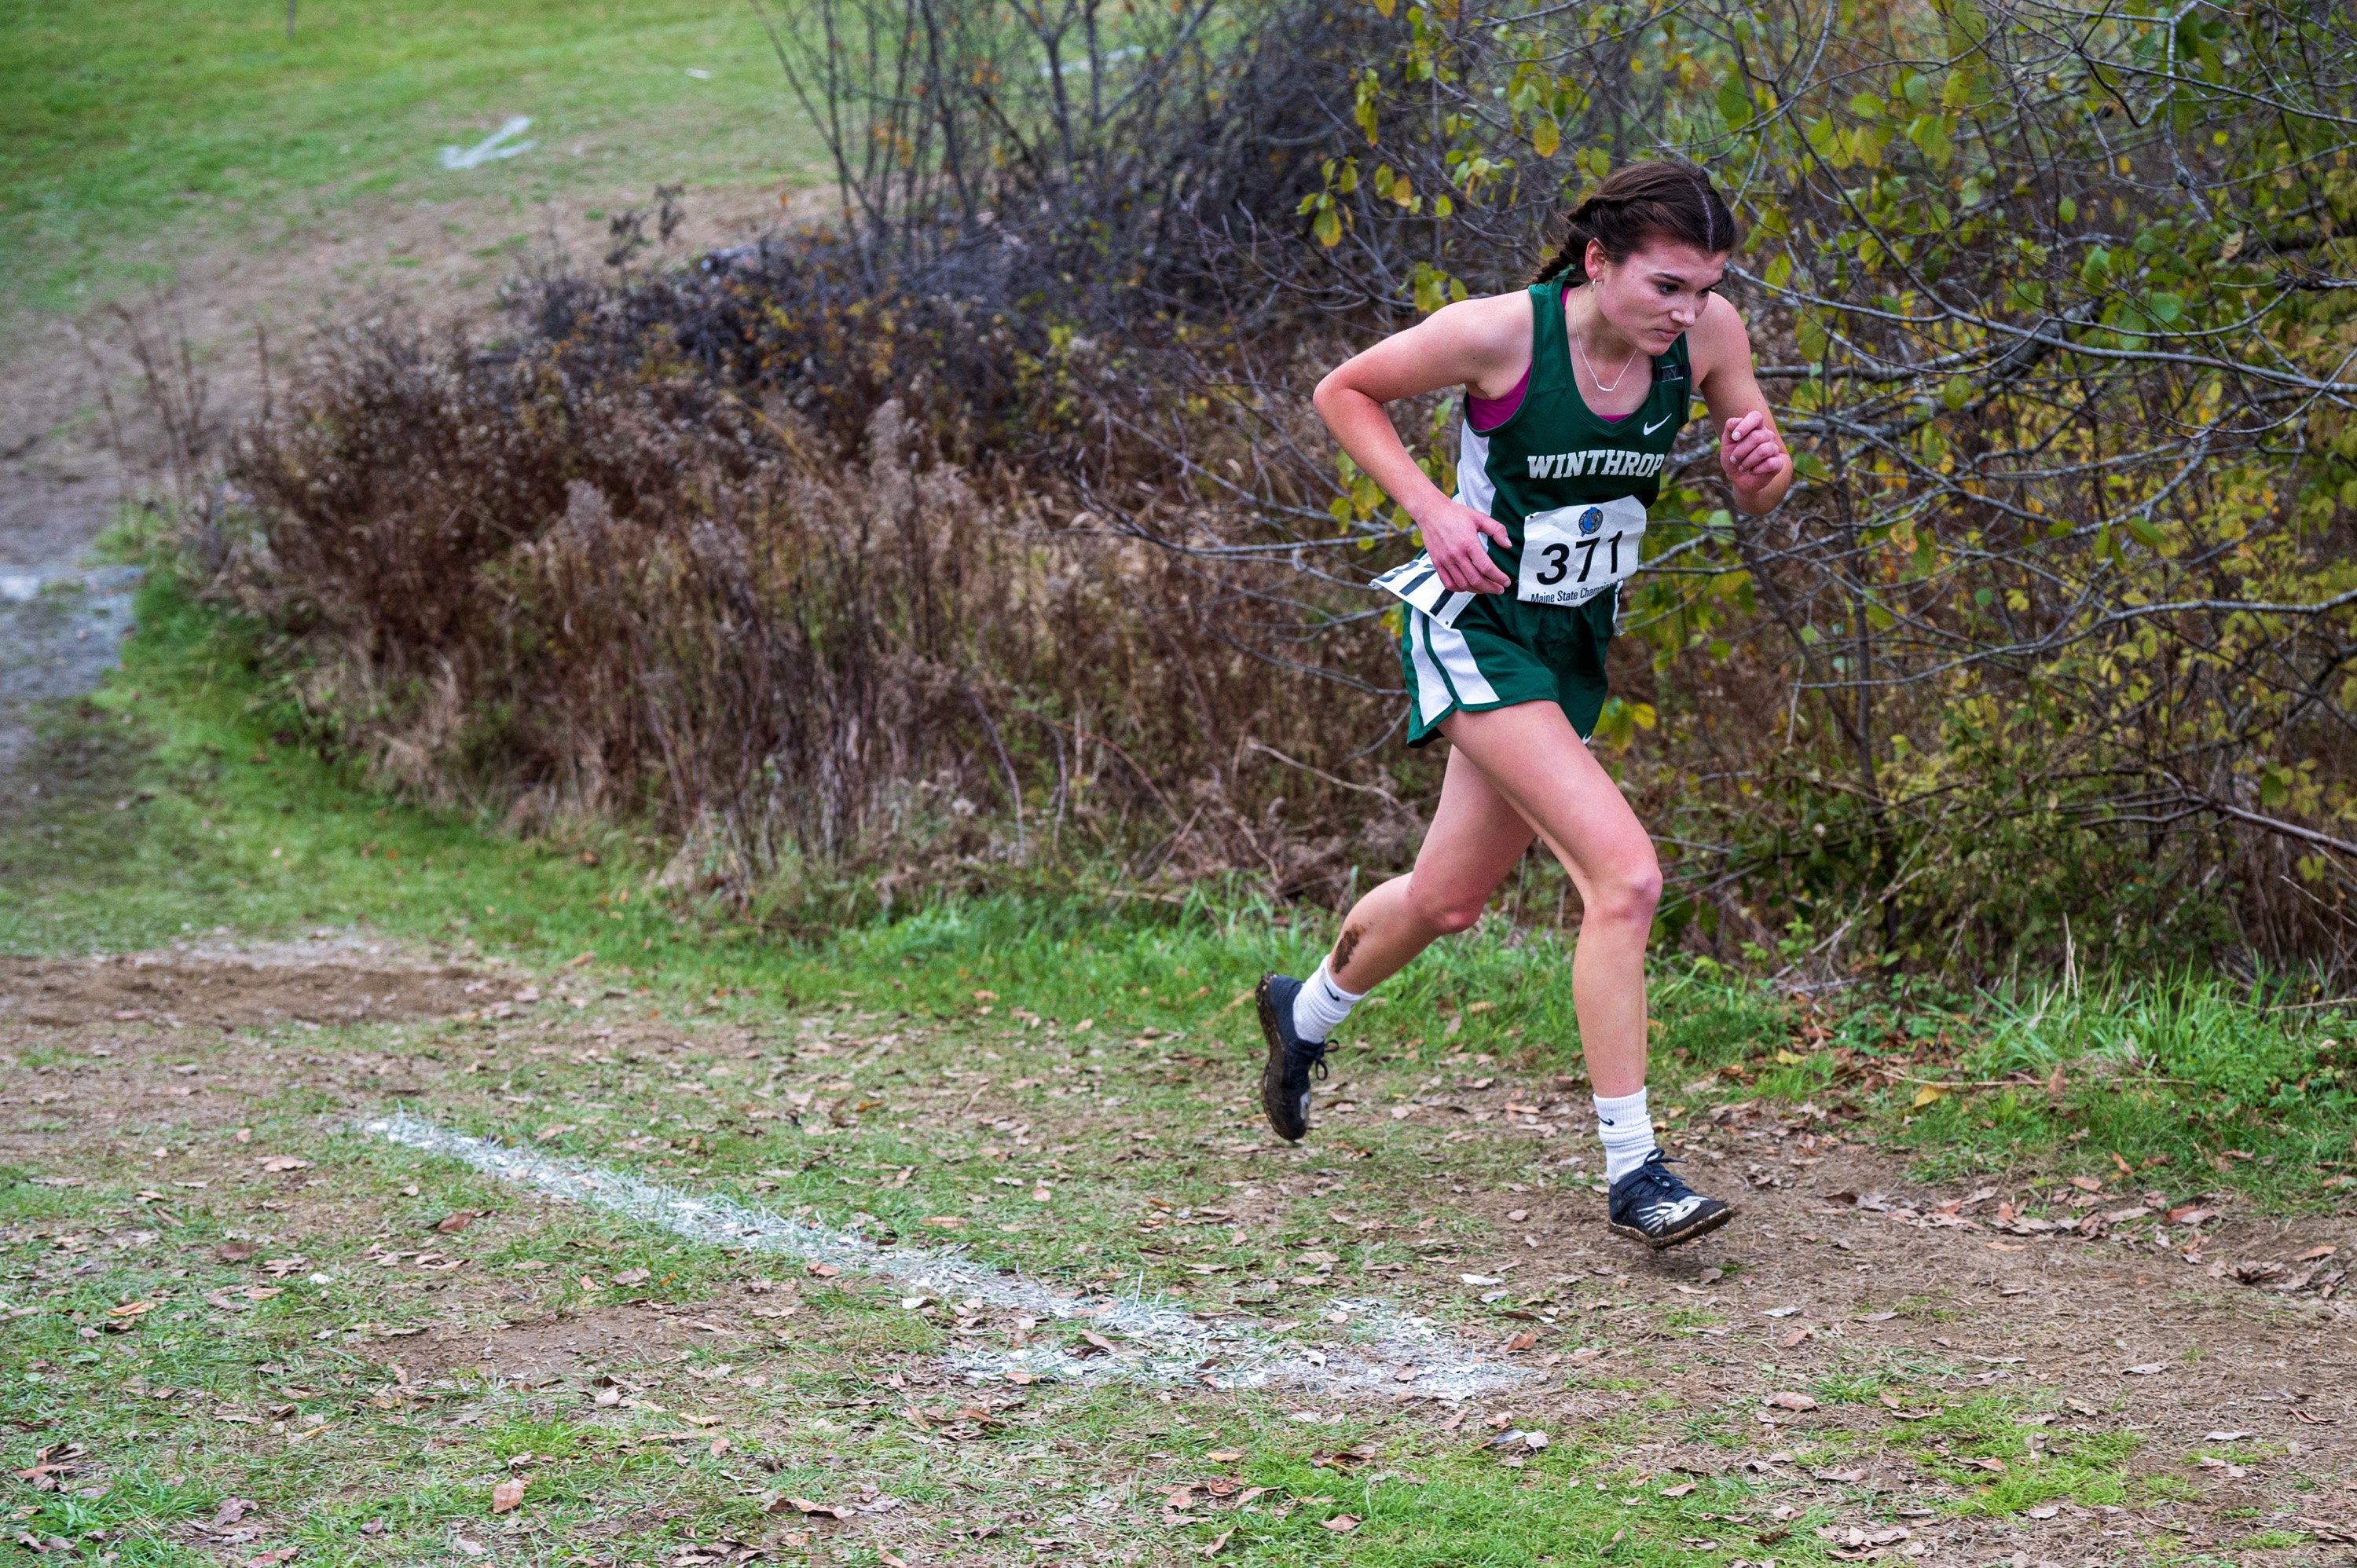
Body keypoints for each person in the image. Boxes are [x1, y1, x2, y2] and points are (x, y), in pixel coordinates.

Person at [1255, 161, 1792, 1249]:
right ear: (1600, 263)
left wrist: (1762, 467)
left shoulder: (1708, 338)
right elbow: (1343, 390)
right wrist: (1428, 509)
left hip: (1571, 638)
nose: (1687, 312)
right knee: (1626, 878)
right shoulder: (1502, 334)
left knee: (1450, 900)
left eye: (1706, 288)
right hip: (1473, 626)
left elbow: (1759, 483)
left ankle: (1300, 1015)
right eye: (1667, 287)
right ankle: (1636, 1172)